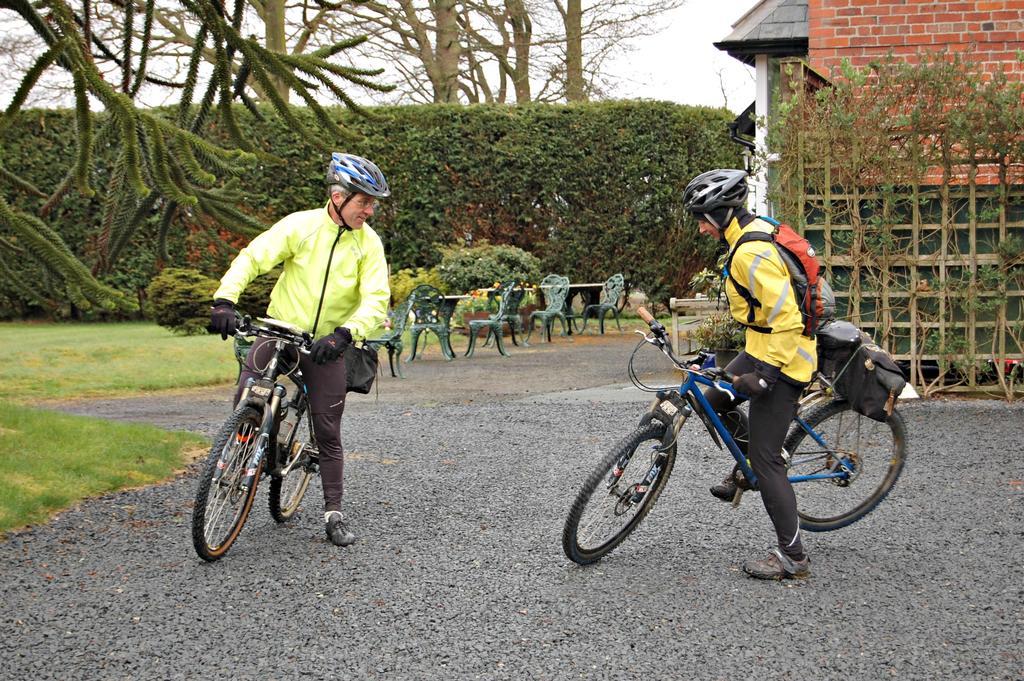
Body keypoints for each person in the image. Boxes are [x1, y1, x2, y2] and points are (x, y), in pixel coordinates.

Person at [207, 152, 391, 548]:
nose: (370, 211)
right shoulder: (301, 226)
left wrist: (345, 333)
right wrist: (224, 300)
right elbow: (254, 257)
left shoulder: (368, 244)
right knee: (247, 396)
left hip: (326, 343)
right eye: (365, 202)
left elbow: (376, 298)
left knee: (327, 429)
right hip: (279, 329)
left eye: (372, 203)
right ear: (338, 197)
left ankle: (334, 514)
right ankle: (244, 448)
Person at [682, 168, 817, 580]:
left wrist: (767, 376)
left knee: (766, 460)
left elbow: (789, 320)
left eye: (704, 219)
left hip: (785, 358)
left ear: (723, 214)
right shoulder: (751, 231)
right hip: (761, 346)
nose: (702, 229)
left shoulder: (750, 252)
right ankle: (746, 464)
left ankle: (793, 558)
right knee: (707, 397)